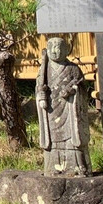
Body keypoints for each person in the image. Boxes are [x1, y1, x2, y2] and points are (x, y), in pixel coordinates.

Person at [37, 37, 91, 176]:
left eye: (59, 48)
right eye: (52, 48)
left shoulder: (73, 69)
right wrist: (41, 96)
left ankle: (77, 167)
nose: (55, 51)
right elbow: (39, 87)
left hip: (69, 109)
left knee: (71, 138)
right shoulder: (44, 70)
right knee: (53, 139)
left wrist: (73, 90)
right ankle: (52, 167)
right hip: (51, 110)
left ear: (66, 50)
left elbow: (81, 87)